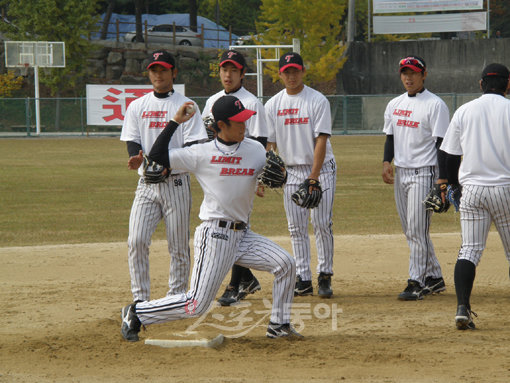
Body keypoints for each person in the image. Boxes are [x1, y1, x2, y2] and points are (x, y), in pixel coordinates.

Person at [121, 96, 300, 341]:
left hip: (243, 235)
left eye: (244, 120)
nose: (244, 126)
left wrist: (280, 177)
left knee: (286, 265)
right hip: (215, 235)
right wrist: (175, 121)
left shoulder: (255, 149)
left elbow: (273, 174)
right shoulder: (201, 153)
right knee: (196, 304)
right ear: (221, 126)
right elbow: (157, 155)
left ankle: (279, 325)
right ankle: (137, 312)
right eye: (237, 122)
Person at [120, 50, 207, 303]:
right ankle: (140, 300)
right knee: (136, 240)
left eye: (163, 70)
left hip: (176, 182)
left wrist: (169, 164)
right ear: (149, 74)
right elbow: (133, 139)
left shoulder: (187, 106)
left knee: (178, 247)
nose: (158, 74)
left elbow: (193, 146)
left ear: (174, 73)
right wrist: (136, 157)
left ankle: (176, 297)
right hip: (146, 183)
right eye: (154, 70)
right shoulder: (138, 105)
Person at [440, 63, 510, 330]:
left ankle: (462, 308)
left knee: (469, 249)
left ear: (481, 84)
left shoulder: (465, 110)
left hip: (473, 191)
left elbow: (448, 155)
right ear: (508, 83)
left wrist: (453, 187)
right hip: (505, 188)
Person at [265, 52, 337, 298]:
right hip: (290, 171)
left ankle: (325, 275)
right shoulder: (273, 104)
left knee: (321, 223)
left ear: (303, 71)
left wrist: (314, 177)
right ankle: (303, 277)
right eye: (286, 71)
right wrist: (266, 172)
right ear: (280, 75)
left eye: (295, 70)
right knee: (295, 228)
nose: (291, 75)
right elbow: (269, 145)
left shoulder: (317, 100)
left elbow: (322, 140)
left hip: (321, 168)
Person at [202, 49, 268, 306]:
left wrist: (260, 177)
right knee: (229, 226)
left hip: (243, 173)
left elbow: (261, 142)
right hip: (219, 173)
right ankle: (246, 278)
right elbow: (207, 138)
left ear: (242, 74)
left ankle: (235, 284)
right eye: (224, 70)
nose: (227, 75)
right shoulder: (212, 101)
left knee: (238, 228)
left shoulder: (252, 103)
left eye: (233, 70)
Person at [382, 55, 450, 301]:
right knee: (411, 230)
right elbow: (390, 136)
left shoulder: (435, 105)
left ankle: (416, 281)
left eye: (413, 72)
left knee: (417, 229)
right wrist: (386, 162)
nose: (408, 77)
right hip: (402, 173)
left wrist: (443, 181)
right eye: (404, 73)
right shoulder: (394, 104)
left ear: (424, 74)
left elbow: (443, 145)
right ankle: (434, 277)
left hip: (425, 172)